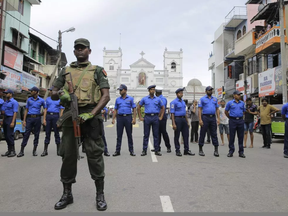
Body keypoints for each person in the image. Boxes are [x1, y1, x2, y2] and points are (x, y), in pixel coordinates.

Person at [51, 38, 109, 211]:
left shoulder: (97, 71)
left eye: (83, 48)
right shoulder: (65, 71)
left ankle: (100, 194)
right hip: (70, 118)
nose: (80, 51)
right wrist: (61, 94)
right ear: (74, 51)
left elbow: (105, 96)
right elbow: (53, 91)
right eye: (77, 49)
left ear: (89, 51)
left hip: (91, 118)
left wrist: (91, 114)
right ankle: (67, 193)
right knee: (68, 156)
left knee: (95, 156)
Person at [17, 86, 46, 157]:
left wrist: (43, 116)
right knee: (26, 134)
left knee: (36, 134)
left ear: (36, 92)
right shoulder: (29, 100)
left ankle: (34, 150)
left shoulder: (41, 100)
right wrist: (24, 120)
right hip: (29, 118)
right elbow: (26, 110)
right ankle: (21, 151)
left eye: (32, 91)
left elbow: (45, 109)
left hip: (37, 118)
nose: (31, 92)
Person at [137, 85, 164, 156]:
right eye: (151, 89)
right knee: (146, 135)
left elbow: (163, 107)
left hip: (155, 117)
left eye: (154, 89)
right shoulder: (144, 99)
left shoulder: (158, 99)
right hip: (147, 117)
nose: (153, 91)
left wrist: (161, 116)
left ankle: (157, 150)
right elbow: (138, 107)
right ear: (149, 91)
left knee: (156, 135)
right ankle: (144, 150)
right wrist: (140, 117)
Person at [112, 84, 136, 156]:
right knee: (119, 135)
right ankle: (117, 151)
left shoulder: (130, 99)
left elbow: (134, 109)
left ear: (125, 90)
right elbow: (115, 109)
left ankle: (131, 151)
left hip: (128, 118)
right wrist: (113, 118)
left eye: (121, 90)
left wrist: (134, 118)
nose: (119, 91)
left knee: (129, 135)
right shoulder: (117, 99)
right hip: (120, 118)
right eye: (119, 90)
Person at [170, 88, 195, 156]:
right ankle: (177, 150)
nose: (181, 94)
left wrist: (187, 122)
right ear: (177, 94)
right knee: (177, 135)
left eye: (182, 93)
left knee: (186, 135)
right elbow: (172, 113)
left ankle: (186, 150)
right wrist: (173, 123)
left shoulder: (183, 102)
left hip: (184, 119)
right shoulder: (173, 102)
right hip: (177, 119)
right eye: (180, 93)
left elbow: (185, 112)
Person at [41, 87, 64, 157]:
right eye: (50, 91)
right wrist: (44, 119)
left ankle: (58, 150)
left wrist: (60, 120)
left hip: (55, 116)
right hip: (48, 116)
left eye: (51, 91)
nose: (51, 92)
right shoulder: (48, 99)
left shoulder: (59, 99)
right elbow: (45, 109)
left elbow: (62, 110)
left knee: (56, 133)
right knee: (47, 133)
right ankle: (45, 150)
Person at [198, 86, 220, 157]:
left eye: (211, 90)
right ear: (206, 91)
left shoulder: (215, 99)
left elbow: (217, 109)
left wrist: (218, 118)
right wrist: (200, 119)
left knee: (214, 134)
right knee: (203, 133)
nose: (210, 91)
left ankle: (216, 150)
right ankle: (200, 149)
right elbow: (200, 109)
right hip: (205, 117)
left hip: (213, 118)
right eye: (209, 90)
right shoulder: (202, 99)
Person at [225, 90, 246, 158]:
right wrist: (230, 117)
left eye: (239, 95)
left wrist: (239, 116)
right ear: (234, 95)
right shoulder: (230, 103)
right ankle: (231, 151)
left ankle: (241, 152)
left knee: (240, 137)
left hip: (240, 120)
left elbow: (244, 112)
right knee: (232, 136)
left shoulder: (242, 103)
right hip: (232, 120)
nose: (239, 96)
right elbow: (226, 111)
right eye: (238, 95)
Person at [0, 89, 19, 157]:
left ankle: (13, 151)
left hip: (11, 119)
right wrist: (3, 120)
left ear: (10, 94)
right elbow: (4, 112)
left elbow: (15, 112)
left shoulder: (14, 102)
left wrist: (13, 122)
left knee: (9, 135)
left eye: (7, 93)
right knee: (6, 136)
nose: (5, 94)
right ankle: (9, 150)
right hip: (6, 119)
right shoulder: (5, 102)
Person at [153, 87, 171, 153]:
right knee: (157, 132)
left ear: (156, 93)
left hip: (162, 117)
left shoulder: (162, 99)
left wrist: (159, 116)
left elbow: (162, 108)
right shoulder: (158, 98)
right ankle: (157, 147)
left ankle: (168, 146)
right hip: (158, 116)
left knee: (163, 132)